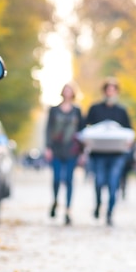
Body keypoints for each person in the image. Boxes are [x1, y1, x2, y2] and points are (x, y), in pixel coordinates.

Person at [84, 77, 132, 226]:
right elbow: (85, 129)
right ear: (104, 90)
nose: (110, 92)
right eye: (108, 89)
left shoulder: (122, 111)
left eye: (113, 89)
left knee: (113, 184)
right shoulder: (95, 108)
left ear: (117, 91)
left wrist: (129, 143)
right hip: (98, 154)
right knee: (98, 182)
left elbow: (129, 131)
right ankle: (98, 204)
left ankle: (110, 213)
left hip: (117, 155)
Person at [44, 81, 84, 225]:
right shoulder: (53, 110)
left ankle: (68, 209)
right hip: (56, 149)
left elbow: (81, 131)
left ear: (73, 93)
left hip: (72, 150)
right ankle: (55, 201)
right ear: (62, 92)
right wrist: (48, 147)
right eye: (65, 90)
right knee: (56, 179)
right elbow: (48, 128)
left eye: (70, 90)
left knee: (68, 179)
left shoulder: (77, 110)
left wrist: (83, 151)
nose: (67, 92)